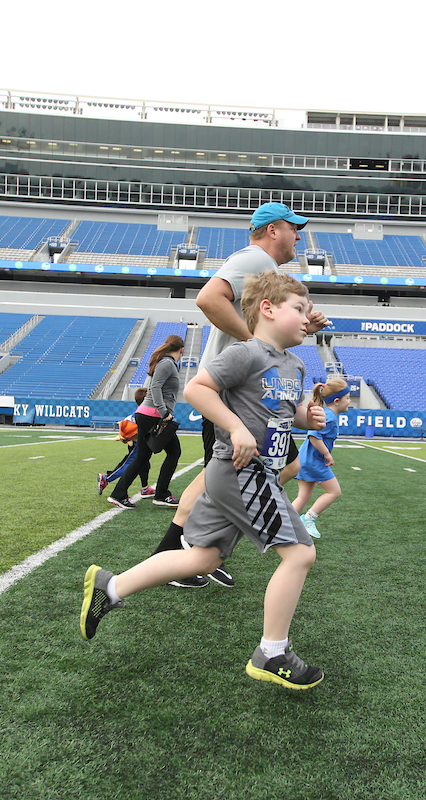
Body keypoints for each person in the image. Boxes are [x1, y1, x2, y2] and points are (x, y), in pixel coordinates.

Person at [79, 271, 327, 690]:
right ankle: (271, 652)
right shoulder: (247, 353)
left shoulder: (295, 363)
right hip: (242, 471)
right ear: (267, 309)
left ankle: (111, 586)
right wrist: (237, 428)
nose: (308, 317)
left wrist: (307, 416)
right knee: (300, 555)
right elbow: (198, 390)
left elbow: (282, 413)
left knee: (203, 559)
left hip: (246, 475)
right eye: (298, 308)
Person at [148, 202, 330, 589]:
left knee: (243, 473)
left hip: (243, 391)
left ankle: (194, 552)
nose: (299, 235)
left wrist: (288, 333)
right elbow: (208, 298)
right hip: (234, 392)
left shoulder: (266, 269)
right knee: (225, 475)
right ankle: (179, 553)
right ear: (272, 231)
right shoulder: (255, 258)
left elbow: (260, 326)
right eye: (292, 227)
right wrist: (259, 349)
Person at [107, 335, 185, 510]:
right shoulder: (167, 363)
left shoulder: (166, 362)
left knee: (142, 456)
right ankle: (162, 494)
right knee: (174, 452)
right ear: (181, 349)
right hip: (153, 415)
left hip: (148, 413)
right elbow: (155, 387)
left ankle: (118, 494)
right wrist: (164, 412)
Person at [292, 377, 354, 538]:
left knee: (303, 496)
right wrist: (327, 454)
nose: (350, 401)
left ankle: (284, 525)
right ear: (337, 400)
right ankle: (309, 518)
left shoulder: (326, 413)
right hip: (314, 462)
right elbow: (313, 435)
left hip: (305, 460)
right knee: (334, 492)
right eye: (348, 398)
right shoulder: (330, 416)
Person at [97, 388, 154, 498]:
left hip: (138, 442)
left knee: (144, 465)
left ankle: (145, 488)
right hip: (137, 444)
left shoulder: (141, 411)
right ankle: (106, 478)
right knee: (130, 465)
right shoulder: (143, 413)